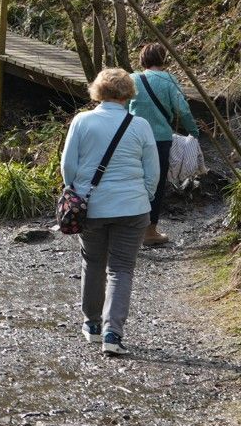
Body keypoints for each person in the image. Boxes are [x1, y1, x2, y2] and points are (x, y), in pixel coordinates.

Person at [61, 67, 159, 356]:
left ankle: (92, 325)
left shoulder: (82, 121)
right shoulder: (141, 125)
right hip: (133, 207)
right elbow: (153, 171)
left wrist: (75, 192)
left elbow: (68, 165)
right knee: (121, 269)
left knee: (92, 262)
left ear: (98, 91)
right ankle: (112, 334)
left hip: (91, 207)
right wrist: (144, 196)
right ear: (128, 93)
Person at [127, 42, 200, 246]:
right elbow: (182, 110)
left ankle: (128, 230)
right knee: (155, 183)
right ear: (163, 59)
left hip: (133, 139)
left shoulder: (132, 79)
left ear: (142, 59)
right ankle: (149, 231)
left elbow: (121, 109)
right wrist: (194, 131)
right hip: (159, 140)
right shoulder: (169, 80)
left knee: (131, 180)